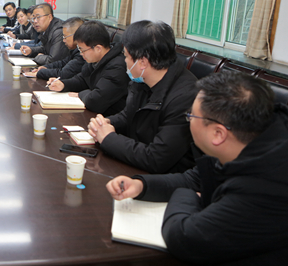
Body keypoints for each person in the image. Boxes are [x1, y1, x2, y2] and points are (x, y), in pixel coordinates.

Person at [106, 72, 288, 265]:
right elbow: (194, 179)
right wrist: (141, 185)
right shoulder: (252, 136)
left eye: (191, 116)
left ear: (218, 134)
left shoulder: (265, 186)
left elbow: (184, 238)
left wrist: (188, 195)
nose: (189, 120)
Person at [88, 20, 197, 173]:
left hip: (165, 177)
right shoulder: (143, 79)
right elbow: (129, 115)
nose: (124, 61)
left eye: (126, 56)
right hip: (136, 162)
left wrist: (108, 138)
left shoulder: (185, 98)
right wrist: (106, 123)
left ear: (143, 62)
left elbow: (156, 158)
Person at [47, 20, 129, 116]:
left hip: (109, 119)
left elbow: (96, 101)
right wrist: (63, 84)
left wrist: (80, 94)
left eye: (82, 50)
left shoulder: (117, 67)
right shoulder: (95, 59)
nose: (81, 54)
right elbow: (82, 79)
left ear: (98, 48)